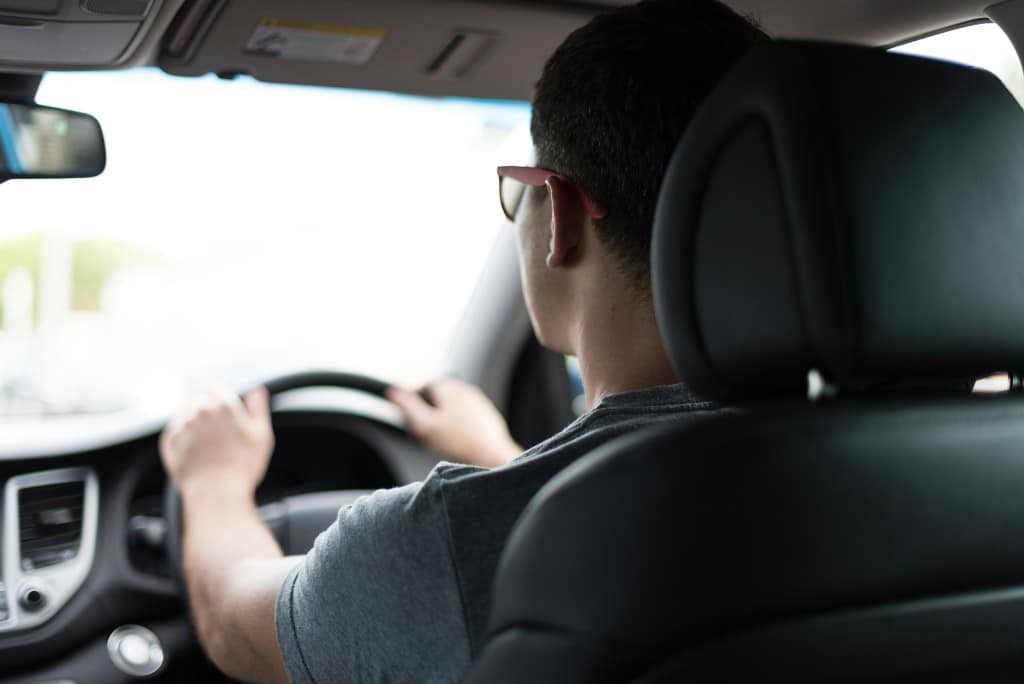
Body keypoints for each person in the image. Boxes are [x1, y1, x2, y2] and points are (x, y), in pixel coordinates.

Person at [158, 1, 767, 682]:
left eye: (521, 192)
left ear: (559, 214)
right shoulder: (878, 465)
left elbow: (233, 622)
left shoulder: (441, 542)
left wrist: (211, 480)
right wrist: (500, 458)